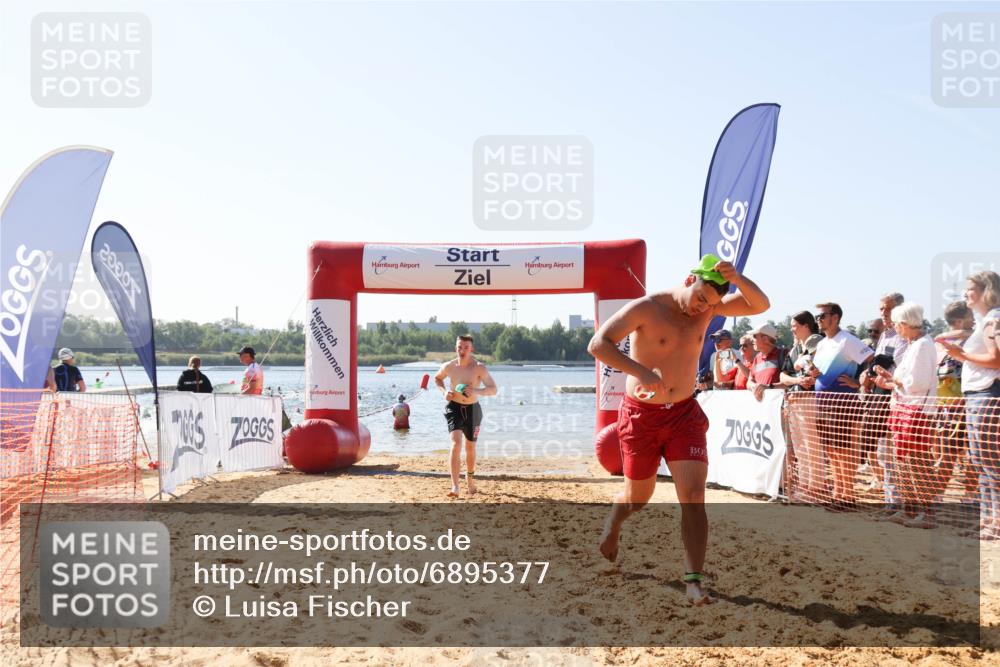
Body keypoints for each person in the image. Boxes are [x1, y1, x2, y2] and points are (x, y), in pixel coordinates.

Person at [587, 254, 769, 605]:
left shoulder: (710, 310)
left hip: (684, 414)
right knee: (638, 499)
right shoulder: (647, 307)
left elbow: (760, 305)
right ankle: (614, 521)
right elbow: (598, 344)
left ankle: (693, 580)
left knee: (693, 499)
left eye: (711, 303)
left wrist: (738, 277)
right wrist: (642, 373)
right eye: (701, 297)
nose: (702, 307)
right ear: (690, 280)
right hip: (641, 416)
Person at [939, 271, 1000, 539]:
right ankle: (989, 520)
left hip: (986, 394)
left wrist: (961, 355)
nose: (965, 294)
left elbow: (996, 359)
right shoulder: (986, 320)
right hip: (978, 394)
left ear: (986, 290)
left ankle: (994, 522)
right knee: (981, 460)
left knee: (989, 461)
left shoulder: (993, 319)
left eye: (970, 289)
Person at [872, 302, 938, 528]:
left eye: (897, 324)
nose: (895, 329)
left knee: (917, 462)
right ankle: (909, 510)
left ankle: (927, 513)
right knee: (903, 462)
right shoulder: (915, 345)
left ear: (904, 324)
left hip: (916, 410)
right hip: (904, 408)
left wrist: (893, 381)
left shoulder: (922, 345)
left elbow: (917, 383)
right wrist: (890, 381)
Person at [810, 303, 874, 510]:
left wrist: (860, 382)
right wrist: (814, 374)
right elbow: (821, 371)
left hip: (843, 403)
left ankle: (848, 496)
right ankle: (838, 493)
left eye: (822, 315)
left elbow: (873, 359)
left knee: (844, 451)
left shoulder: (847, 340)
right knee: (831, 451)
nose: (818, 319)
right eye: (817, 316)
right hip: (824, 402)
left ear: (835, 317)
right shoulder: (822, 344)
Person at [434, 335, 497, 498]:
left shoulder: (479, 368)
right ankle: (455, 486)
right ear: (455, 348)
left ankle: (470, 479)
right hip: (453, 407)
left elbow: (493, 389)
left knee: (470, 447)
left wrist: (475, 391)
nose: (462, 351)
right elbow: (438, 378)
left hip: (473, 410)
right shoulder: (449, 366)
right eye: (459, 347)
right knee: (455, 443)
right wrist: (444, 392)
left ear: (471, 349)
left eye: (465, 348)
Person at [860, 293, 908, 504]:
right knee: (884, 453)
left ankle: (901, 502)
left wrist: (886, 379)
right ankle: (891, 502)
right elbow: (877, 365)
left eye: (887, 309)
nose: (883, 313)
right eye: (881, 309)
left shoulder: (905, 337)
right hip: (879, 400)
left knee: (897, 454)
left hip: (897, 399)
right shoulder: (885, 336)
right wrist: (867, 375)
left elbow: (902, 371)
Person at [778, 311, 824, 503]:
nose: (792, 329)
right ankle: (805, 486)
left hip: (811, 399)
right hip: (795, 398)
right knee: (799, 446)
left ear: (806, 325)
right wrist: (797, 380)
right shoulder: (795, 349)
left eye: (794, 325)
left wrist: (810, 377)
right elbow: (783, 375)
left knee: (812, 445)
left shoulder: (819, 344)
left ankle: (816, 487)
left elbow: (822, 370)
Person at [745, 323, 786, 402]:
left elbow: (789, 383)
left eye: (754, 336)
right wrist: (755, 387)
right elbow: (749, 382)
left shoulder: (784, 354)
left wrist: (767, 387)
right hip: (762, 409)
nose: (752, 340)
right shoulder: (757, 358)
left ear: (765, 339)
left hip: (779, 409)